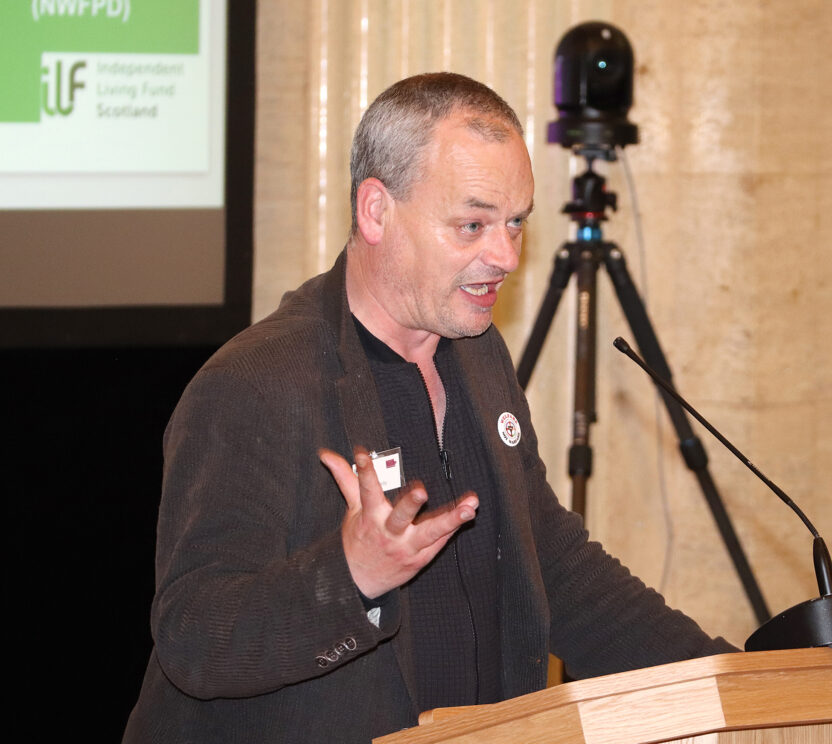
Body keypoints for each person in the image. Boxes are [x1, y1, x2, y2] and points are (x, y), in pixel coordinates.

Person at [123, 72, 735, 744]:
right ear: (376, 211)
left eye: (514, 224)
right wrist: (351, 576)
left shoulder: (477, 354)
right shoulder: (257, 383)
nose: (503, 256)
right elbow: (194, 634)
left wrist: (737, 681)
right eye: (471, 224)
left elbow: (550, 563)